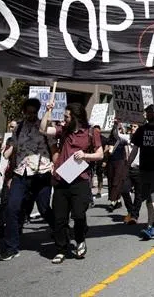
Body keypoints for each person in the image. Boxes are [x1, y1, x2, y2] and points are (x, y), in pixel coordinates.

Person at [48, 102, 103, 263]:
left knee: (79, 215)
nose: (63, 120)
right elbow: (44, 129)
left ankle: (79, 240)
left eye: (66, 117)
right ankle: (61, 249)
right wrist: (48, 111)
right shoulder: (63, 131)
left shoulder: (92, 132)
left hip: (80, 180)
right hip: (61, 179)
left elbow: (99, 155)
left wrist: (85, 155)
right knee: (59, 218)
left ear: (76, 117)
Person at [0, 98, 54, 261]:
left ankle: (60, 231)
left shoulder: (44, 127)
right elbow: (13, 150)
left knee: (44, 208)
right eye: (27, 112)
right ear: (23, 112)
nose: (30, 115)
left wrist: (55, 166)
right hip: (21, 173)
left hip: (41, 172)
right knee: (12, 208)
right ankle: (11, 247)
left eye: (33, 112)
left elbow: (54, 148)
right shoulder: (18, 128)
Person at [129, 105, 154, 240]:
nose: (148, 114)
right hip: (144, 168)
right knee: (147, 199)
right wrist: (127, 164)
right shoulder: (141, 129)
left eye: (151, 111)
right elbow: (135, 148)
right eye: (147, 111)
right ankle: (152, 222)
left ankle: (149, 226)